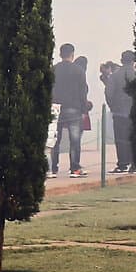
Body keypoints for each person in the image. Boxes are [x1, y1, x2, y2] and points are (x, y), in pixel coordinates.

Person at [51, 43, 90, 175]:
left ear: (60, 54)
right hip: (73, 107)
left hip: (55, 107)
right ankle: (74, 168)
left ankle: (53, 168)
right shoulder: (78, 70)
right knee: (75, 140)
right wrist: (84, 110)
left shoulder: (53, 69)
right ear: (72, 54)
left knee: (55, 139)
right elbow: (82, 92)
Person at [108, 51, 136, 173]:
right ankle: (135, 164)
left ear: (121, 60)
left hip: (119, 111)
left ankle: (122, 164)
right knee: (135, 138)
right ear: (133, 61)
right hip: (135, 112)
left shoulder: (114, 76)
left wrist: (113, 107)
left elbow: (109, 94)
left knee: (120, 139)